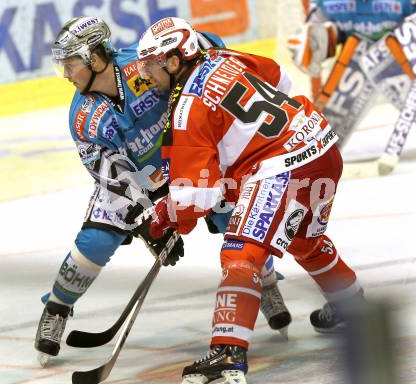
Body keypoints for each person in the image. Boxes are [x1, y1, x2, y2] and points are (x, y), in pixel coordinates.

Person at [34, 16, 290, 367]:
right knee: (96, 241)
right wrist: (146, 221)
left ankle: (268, 283)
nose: (65, 74)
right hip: (135, 181)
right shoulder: (82, 116)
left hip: (185, 157)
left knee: (235, 212)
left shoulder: (145, 66)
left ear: (94, 58)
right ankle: (58, 306)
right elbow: (110, 174)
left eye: (70, 63)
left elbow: (205, 49)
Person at [136, 16, 364, 384]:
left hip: (282, 167)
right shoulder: (224, 57)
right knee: (305, 241)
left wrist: (166, 217)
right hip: (320, 143)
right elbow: (278, 77)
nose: (146, 75)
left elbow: (198, 196)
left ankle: (228, 354)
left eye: (152, 64)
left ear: (176, 60)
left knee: (241, 251)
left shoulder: (186, 108)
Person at [287, 0, 416, 173]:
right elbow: (318, 33)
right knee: (322, 146)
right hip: (356, 64)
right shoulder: (326, 3)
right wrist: (316, 42)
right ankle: (319, 149)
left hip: (401, 60)